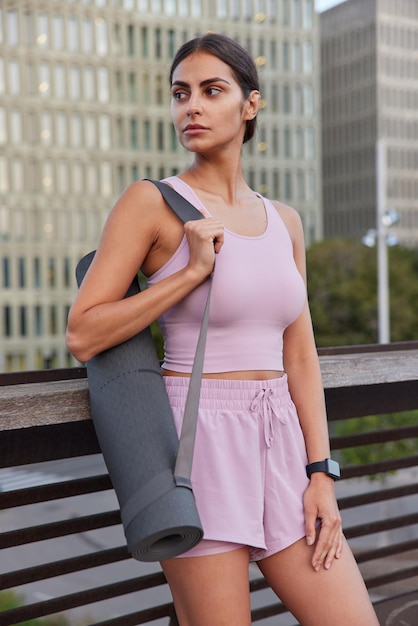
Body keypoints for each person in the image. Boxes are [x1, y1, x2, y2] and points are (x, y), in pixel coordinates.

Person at [66, 33, 379, 626]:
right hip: (196, 442)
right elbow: (83, 332)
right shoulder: (152, 203)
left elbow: (302, 357)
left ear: (250, 105)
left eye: (212, 91)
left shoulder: (284, 221)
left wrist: (320, 474)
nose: (192, 107)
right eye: (181, 93)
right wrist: (190, 274)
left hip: (282, 441)